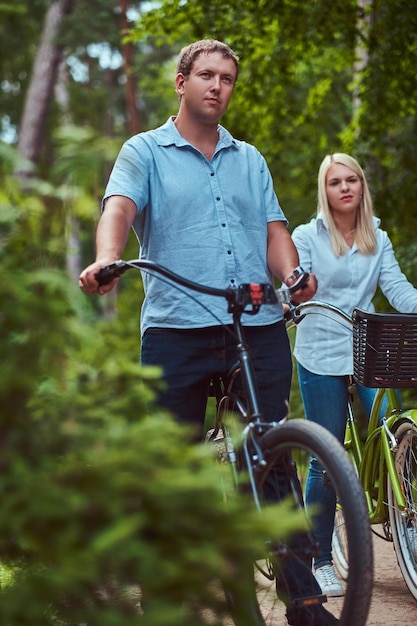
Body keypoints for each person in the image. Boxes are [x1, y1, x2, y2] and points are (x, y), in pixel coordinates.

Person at [79, 39, 338, 625]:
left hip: (256, 326)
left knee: (270, 453)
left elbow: (274, 230)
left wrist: (292, 272)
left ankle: (304, 598)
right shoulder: (144, 151)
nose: (217, 86)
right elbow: (118, 208)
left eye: (227, 78)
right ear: (181, 81)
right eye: (206, 75)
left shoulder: (250, 159)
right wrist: (107, 259)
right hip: (177, 330)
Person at [291, 152, 417, 598]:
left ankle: (404, 514)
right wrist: (291, 296)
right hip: (321, 350)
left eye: (351, 180)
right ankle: (319, 558)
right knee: (324, 457)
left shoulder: (376, 237)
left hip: (371, 348)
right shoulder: (306, 236)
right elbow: (296, 282)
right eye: (334, 182)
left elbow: (397, 287)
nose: (344, 188)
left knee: (392, 431)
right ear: (324, 191)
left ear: (362, 187)